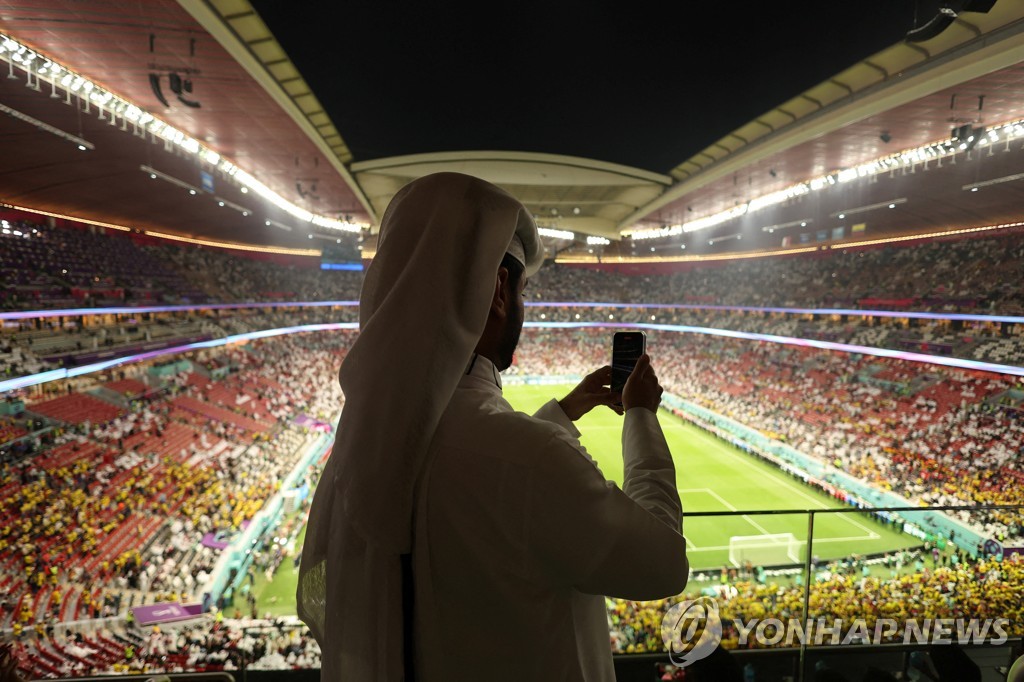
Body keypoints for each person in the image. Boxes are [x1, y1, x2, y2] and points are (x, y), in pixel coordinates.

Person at [297, 172, 688, 681]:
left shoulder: (365, 447)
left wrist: (561, 413)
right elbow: (662, 561)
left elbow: (466, 458)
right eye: (522, 288)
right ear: (499, 289)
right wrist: (640, 417)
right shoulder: (526, 459)